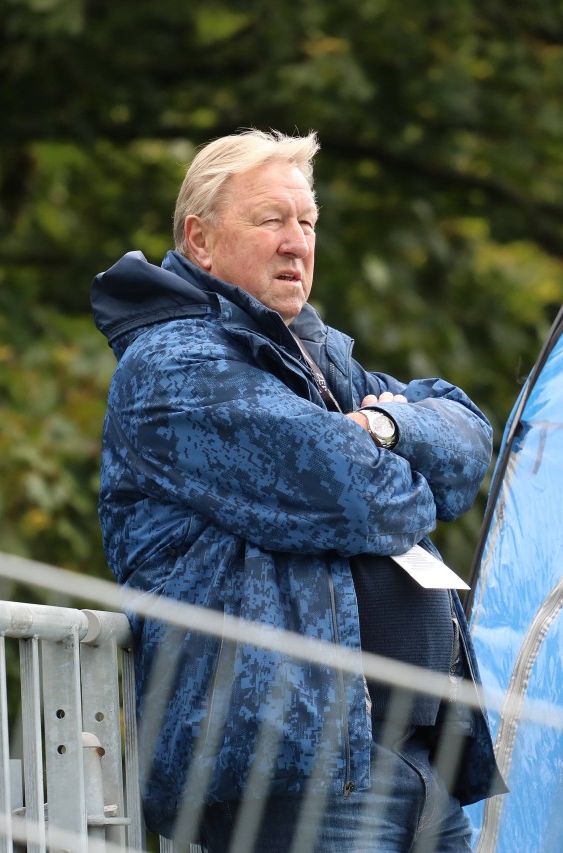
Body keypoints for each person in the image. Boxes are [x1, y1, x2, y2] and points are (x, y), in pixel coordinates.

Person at [90, 129, 505, 850]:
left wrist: (377, 428)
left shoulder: (321, 360)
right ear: (201, 241)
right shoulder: (170, 365)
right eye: (270, 220)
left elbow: (470, 437)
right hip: (288, 773)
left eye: (307, 222)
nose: (296, 242)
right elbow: (349, 491)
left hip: (407, 761)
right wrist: (402, 464)